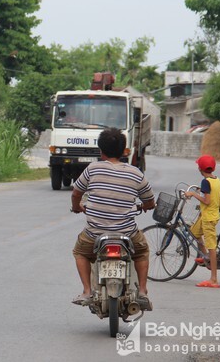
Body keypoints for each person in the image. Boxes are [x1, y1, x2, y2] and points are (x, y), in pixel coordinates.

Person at [71, 127, 155, 306]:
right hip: (127, 233)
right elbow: (150, 201)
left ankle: (87, 291)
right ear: (125, 151)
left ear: (101, 151)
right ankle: (142, 290)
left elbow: (76, 193)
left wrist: (77, 207)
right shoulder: (136, 173)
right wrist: (145, 206)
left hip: (95, 234)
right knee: (141, 252)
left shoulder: (92, 169)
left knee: (80, 252)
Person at [185, 155, 220, 289]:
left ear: (199, 168)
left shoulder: (205, 182)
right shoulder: (217, 180)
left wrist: (193, 194)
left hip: (209, 217)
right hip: (210, 215)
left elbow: (207, 201)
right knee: (194, 232)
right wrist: (202, 193)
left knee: (211, 247)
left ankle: (213, 279)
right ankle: (206, 257)